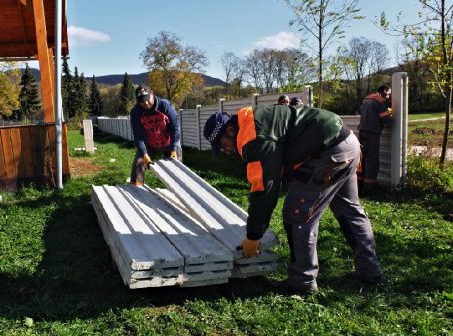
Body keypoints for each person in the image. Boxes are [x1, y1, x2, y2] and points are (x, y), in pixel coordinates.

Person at [203, 105, 384, 294]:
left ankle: (302, 282)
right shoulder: (254, 118)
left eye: (223, 144)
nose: (225, 150)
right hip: (346, 143)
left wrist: (253, 236)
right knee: (350, 210)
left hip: (328, 154)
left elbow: (264, 190)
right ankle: (370, 271)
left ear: (230, 130)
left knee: (297, 214)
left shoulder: (254, 138)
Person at [129, 84, 182, 185]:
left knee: (177, 169)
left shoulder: (165, 106)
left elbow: (175, 128)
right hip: (149, 144)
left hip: (169, 142)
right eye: (141, 101)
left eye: (147, 99)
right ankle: (135, 188)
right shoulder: (136, 112)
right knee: (138, 164)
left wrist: (174, 148)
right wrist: (145, 155)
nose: (146, 103)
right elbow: (138, 136)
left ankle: (177, 189)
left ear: (152, 94)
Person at [358, 85, 392, 193]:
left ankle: (359, 184)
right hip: (372, 134)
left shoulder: (367, 98)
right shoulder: (380, 101)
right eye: (389, 94)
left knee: (362, 159)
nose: (389, 97)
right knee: (372, 160)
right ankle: (370, 188)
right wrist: (391, 114)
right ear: (384, 91)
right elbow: (387, 121)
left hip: (362, 132)